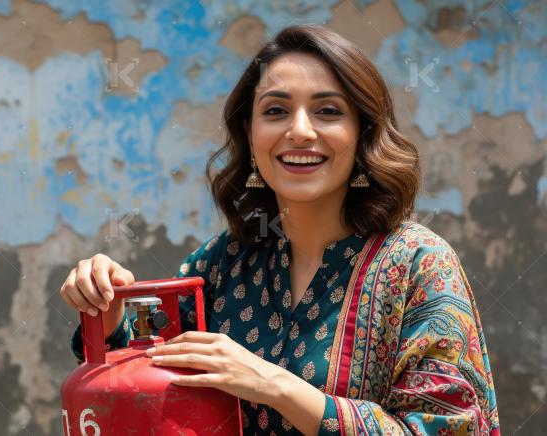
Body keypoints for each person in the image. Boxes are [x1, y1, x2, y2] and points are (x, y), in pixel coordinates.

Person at [60, 24, 499, 435]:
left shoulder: (418, 265)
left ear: (362, 133)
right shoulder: (221, 265)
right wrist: (111, 317)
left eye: (327, 111)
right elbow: (150, 392)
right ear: (250, 133)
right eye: (276, 110)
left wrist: (276, 385)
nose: (300, 131)